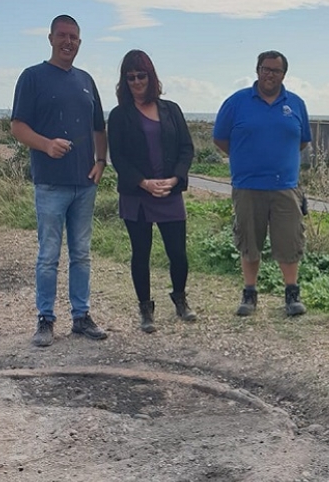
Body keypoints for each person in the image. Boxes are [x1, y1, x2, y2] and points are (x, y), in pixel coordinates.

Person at [11, 14, 109, 347]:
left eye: (74, 37)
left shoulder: (86, 80)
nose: (68, 42)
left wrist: (101, 162)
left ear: (79, 42)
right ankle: (46, 320)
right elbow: (18, 126)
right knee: (48, 256)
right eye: (63, 35)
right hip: (50, 184)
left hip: (84, 184)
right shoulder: (32, 77)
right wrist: (46, 145)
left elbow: (99, 127)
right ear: (51, 38)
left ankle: (81, 317)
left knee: (81, 254)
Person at [213, 50, 311, 317]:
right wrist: (245, 157)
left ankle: (291, 294)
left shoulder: (296, 104)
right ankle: (249, 294)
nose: (270, 74)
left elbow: (302, 141)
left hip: (286, 187)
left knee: (290, 242)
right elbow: (220, 138)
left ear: (284, 75)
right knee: (249, 242)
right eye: (265, 69)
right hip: (248, 186)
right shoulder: (237, 102)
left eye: (276, 70)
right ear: (257, 70)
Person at [107, 50, 197, 333]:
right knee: (140, 254)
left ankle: (180, 299)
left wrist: (175, 179)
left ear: (151, 77)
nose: (136, 82)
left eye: (141, 76)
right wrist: (143, 182)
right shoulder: (119, 115)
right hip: (137, 195)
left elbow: (186, 148)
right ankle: (145, 309)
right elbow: (118, 157)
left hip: (169, 193)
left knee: (178, 253)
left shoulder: (172, 110)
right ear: (124, 81)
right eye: (130, 77)